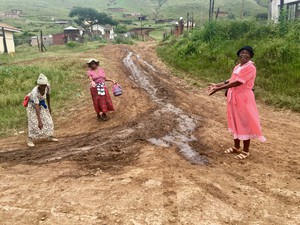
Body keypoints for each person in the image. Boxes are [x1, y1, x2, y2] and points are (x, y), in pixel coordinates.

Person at [208, 46, 266, 159]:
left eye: (247, 53)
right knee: (234, 121)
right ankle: (236, 147)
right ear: (238, 55)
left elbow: (238, 82)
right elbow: (231, 80)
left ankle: (245, 151)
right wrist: (217, 85)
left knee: (245, 122)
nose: (244, 55)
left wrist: (219, 89)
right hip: (234, 97)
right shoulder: (238, 66)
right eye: (242, 53)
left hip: (244, 98)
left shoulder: (251, 67)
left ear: (251, 56)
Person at [27, 73, 58, 147]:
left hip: (42, 103)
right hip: (32, 105)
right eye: (41, 85)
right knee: (33, 122)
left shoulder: (47, 87)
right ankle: (30, 139)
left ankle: (49, 136)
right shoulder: (35, 92)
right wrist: (39, 121)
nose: (43, 87)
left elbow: (48, 95)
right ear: (39, 85)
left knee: (48, 119)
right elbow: (36, 106)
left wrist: (49, 107)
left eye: (44, 85)